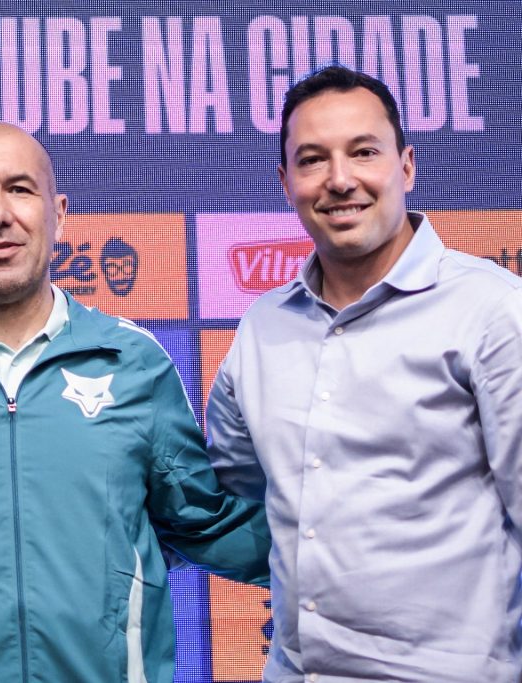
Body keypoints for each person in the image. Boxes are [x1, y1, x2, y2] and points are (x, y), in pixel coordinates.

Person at [0, 121, 271, 682]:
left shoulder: (134, 363)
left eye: (20, 189)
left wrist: (350, 554)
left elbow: (203, 520)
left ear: (59, 215)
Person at [206, 65, 522, 682]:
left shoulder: (493, 311)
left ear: (406, 166)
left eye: (364, 152)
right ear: (286, 181)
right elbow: (235, 489)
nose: (340, 179)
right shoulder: (262, 328)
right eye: (313, 159)